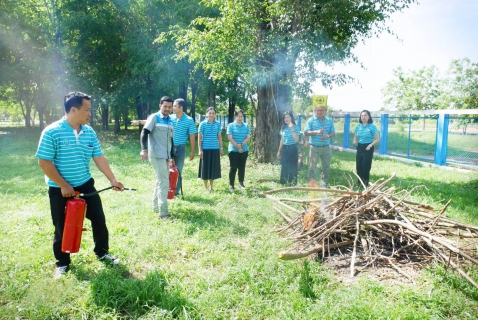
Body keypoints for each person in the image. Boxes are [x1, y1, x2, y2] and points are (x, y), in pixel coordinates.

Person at [36, 91, 124, 279]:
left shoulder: (89, 132)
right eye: (87, 110)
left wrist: (113, 180)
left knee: (99, 220)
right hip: (59, 189)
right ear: (73, 109)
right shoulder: (52, 131)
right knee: (61, 226)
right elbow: (44, 161)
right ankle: (62, 263)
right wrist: (63, 184)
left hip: (85, 185)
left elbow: (99, 157)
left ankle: (102, 252)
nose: (90, 114)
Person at [140, 96, 175, 219]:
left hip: (165, 156)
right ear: (160, 106)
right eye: (165, 106)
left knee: (160, 181)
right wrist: (143, 149)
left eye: (170, 107)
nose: (167, 109)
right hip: (156, 155)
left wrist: (172, 156)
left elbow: (171, 140)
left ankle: (155, 208)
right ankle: (163, 213)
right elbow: (144, 133)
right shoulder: (154, 117)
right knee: (164, 182)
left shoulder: (170, 121)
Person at [303, 106, 336, 188]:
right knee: (312, 166)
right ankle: (311, 184)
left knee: (326, 166)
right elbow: (306, 132)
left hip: (326, 148)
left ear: (325, 111)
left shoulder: (329, 120)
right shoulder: (311, 120)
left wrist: (327, 136)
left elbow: (333, 133)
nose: (320, 112)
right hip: (314, 148)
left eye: (322, 110)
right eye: (318, 110)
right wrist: (317, 132)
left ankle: (323, 183)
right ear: (315, 111)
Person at [170, 98, 197, 196]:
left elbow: (192, 136)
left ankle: (176, 192)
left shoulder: (189, 120)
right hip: (169, 148)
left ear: (180, 107)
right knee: (168, 170)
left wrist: (193, 151)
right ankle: (168, 190)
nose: (172, 108)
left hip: (181, 148)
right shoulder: (170, 118)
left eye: (174, 106)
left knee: (178, 171)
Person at [198, 107, 224, 191]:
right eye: (210, 113)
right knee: (205, 169)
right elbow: (199, 138)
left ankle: (211, 187)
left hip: (215, 149)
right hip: (205, 149)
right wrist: (200, 150)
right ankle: (205, 188)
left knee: (212, 168)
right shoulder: (202, 124)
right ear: (206, 114)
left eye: (213, 113)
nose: (211, 115)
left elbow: (219, 137)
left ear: (215, 115)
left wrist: (221, 148)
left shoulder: (217, 124)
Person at [353, 110, 380, 188]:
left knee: (366, 166)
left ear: (369, 117)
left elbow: (377, 139)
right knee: (359, 165)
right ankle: (359, 183)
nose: (363, 117)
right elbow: (355, 135)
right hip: (360, 147)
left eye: (365, 115)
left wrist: (370, 145)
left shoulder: (372, 126)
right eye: (362, 115)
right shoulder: (358, 126)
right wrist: (354, 140)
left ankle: (365, 183)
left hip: (368, 147)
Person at [226, 109, 251, 192]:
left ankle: (241, 183)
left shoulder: (246, 126)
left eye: (241, 116)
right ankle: (231, 185)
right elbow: (230, 138)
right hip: (233, 150)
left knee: (242, 167)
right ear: (235, 116)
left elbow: (248, 137)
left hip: (244, 150)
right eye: (238, 116)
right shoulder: (231, 125)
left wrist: (241, 145)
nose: (240, 118)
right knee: (233, 168)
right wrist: (238, 147)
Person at [276, 111, 301, 185]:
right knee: (284, 165)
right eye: (285, 118)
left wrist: (292, 129)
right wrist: (279, 151)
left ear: (291, 118)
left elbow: (297, 140)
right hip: (285, 149)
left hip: (293, 148)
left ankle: (292, 183)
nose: (286, 119)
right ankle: (283, 182)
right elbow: (282, 140)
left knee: (292, 166)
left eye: (288, 117)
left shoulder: (296, 127)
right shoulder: (283, 128)